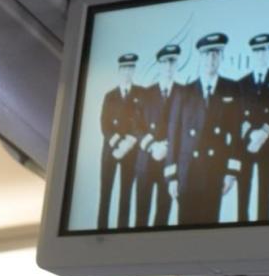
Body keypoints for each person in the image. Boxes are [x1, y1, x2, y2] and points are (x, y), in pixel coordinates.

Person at [164, 32, 242, 225]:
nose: (211, 60)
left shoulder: (232, 89)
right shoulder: (184, 92)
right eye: (207, 54)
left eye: (216, 54)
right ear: (200, 57)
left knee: (210, 226)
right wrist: (172, 176)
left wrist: (231, 172)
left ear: (221, 57)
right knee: (186, 228)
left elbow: (236, 134)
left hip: (215, 170)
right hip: (187, 171)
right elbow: (174, 135)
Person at [237, 33, 269, 222]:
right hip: (247, 144)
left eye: (265, 50)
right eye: (257, 51)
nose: (261, 55)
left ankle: (264, 227)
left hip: (268, 142)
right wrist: (252, 134)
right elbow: (239, 115)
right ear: (252, 54)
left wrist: (263, 133)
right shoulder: (241, 83)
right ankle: (241, 227)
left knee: (266, 190)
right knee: (243, 191)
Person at [134, 44, 184, 228]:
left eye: (172, 61)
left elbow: (187, 127)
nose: (168, 66)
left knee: (163, 216)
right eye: (165, 62)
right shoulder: (145, 94)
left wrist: (168, 147)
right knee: (141, 217)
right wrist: (152, 146)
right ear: (159, 65)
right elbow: (136, 126)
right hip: (146, 163)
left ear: (177, 63)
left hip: (170, 165)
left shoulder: (185, 93)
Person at [98, 53, 143, 230]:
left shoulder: (141, 94)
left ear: (134, 70)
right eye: (124, 68)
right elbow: (104, 123)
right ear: (119, 70)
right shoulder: (110, 96)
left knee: (126, 194)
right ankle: (101, 231)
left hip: (131, 151)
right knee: (105, 193)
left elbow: (142, 122)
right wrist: (117, 143)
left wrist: (129, 142)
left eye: (130, 68)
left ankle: (121, 231)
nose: (127, 71)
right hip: (111, 150)